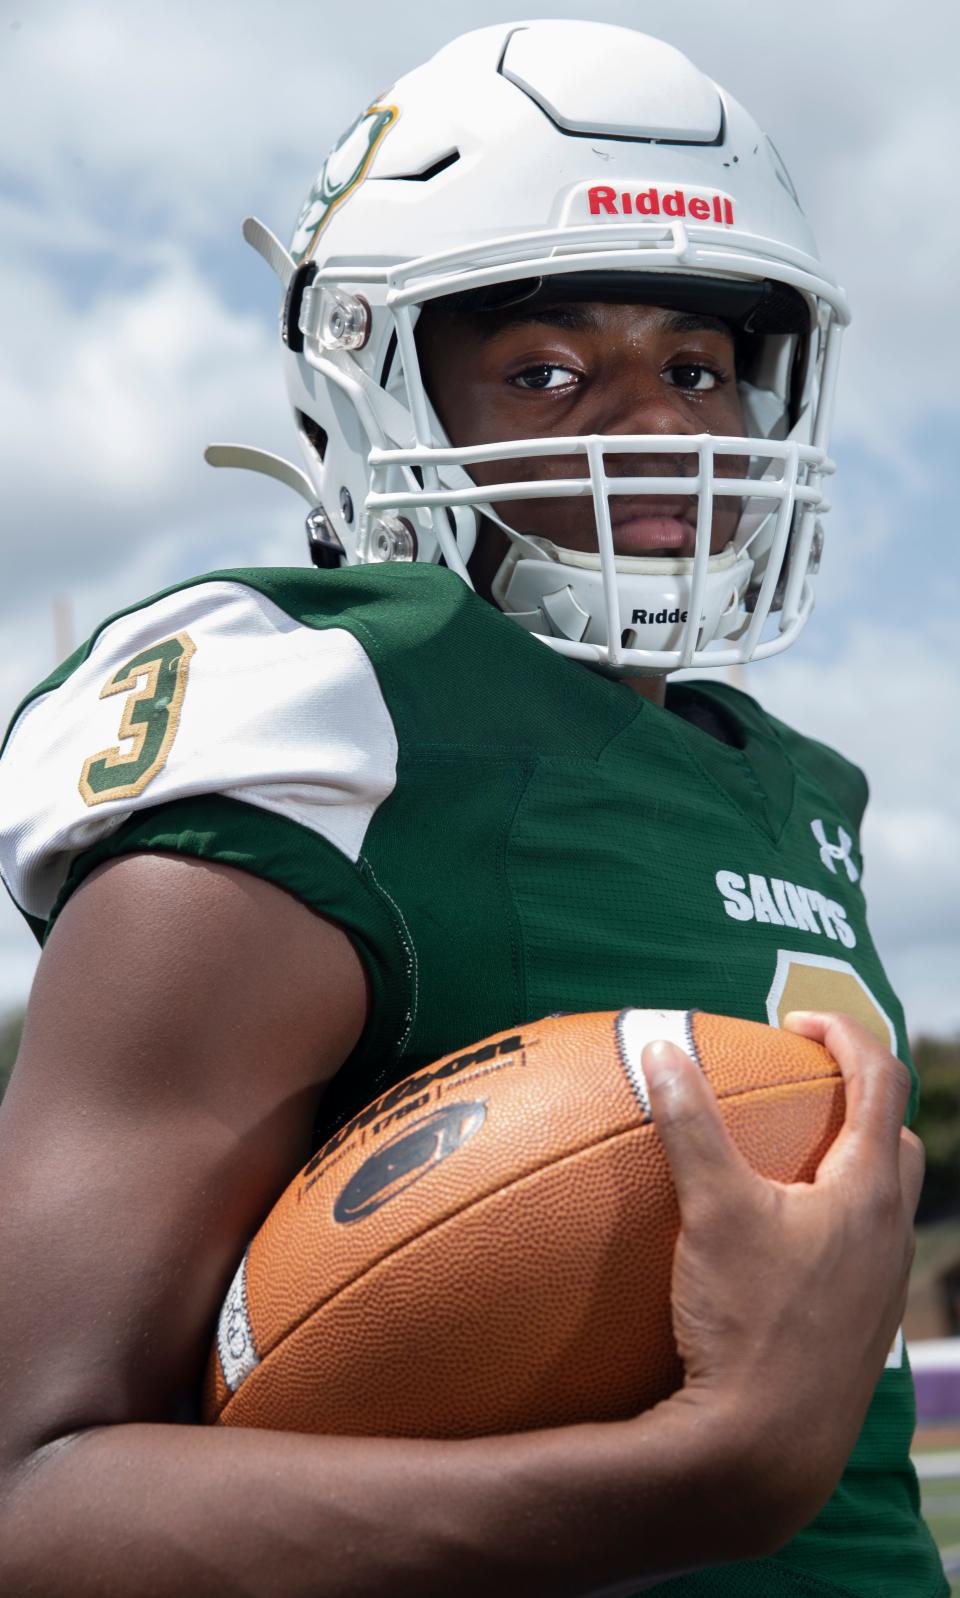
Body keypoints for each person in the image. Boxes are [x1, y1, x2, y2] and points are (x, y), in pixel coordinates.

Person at [0, 20, 946, 1597]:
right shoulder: (334, 725)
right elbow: (30, 1497)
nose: (662, 426)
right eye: (551, 370)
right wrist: (695, 1476)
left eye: (699, 366)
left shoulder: (793, 789)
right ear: (378, 393)